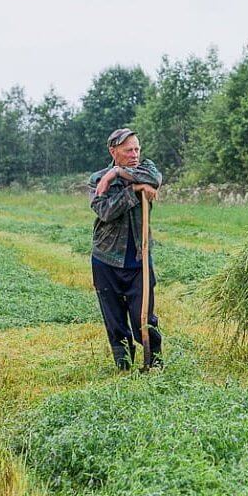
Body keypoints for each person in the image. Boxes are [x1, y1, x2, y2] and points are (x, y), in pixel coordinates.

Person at [89, 128, 163, 370]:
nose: (135, 154)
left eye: (137, 149)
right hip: (106, 258)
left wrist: (118, 173)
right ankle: (124, 365)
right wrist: (133, 190)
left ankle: (154, 363)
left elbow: (155, 179)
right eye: (128, 150)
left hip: (139, 259)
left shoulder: (145, 168)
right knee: (115, 318)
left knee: (144, 315)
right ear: (113, 151)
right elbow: (106, 211)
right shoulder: (97, 180)